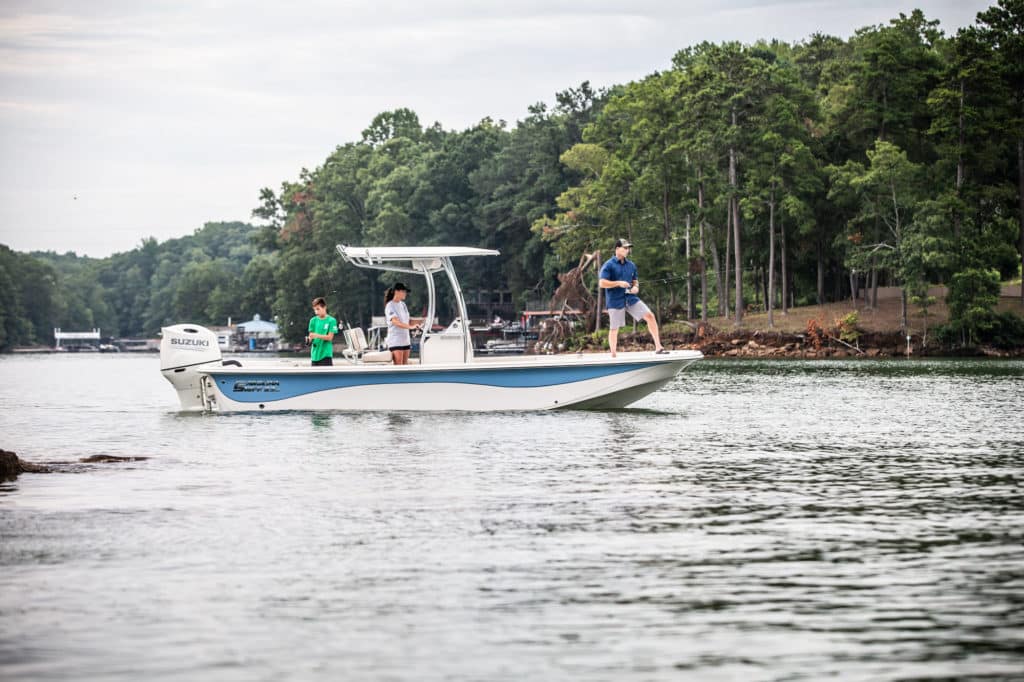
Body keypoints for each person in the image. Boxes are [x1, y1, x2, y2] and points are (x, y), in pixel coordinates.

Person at [598, 238, 666, 358]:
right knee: (614, 328)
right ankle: (613, 355)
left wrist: (636, 288)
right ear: (617, 249)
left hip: (630, 298)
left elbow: (635, 281)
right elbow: (602, 283)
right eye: (625, 248)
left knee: (650, 316)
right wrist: (618, 283)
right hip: (615, 300)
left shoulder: (631, 265)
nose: (627, 250)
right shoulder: (608, 265)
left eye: (628, 248)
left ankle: (659, 347)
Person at [384, 283, 421, 365]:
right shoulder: (390, 306)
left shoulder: (403, 305)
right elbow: (395, 322)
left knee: (405, 367)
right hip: (395, 340)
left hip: (405, 340)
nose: (405, 294)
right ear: (396, 292)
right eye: (404, 291)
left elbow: (408, 320)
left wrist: (422, 321)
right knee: (399, 367)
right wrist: (411, 327)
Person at [306, 297, 338, 366]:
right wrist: (309, 340)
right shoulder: (312, 320)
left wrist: (316, 335)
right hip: (314, 356)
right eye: (314, 310)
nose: (316, 312)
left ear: (324, 307)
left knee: (327, 377)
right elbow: (311, 337)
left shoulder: (332, 320)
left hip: (326, 355)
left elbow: (330, 337)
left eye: (318, 309)